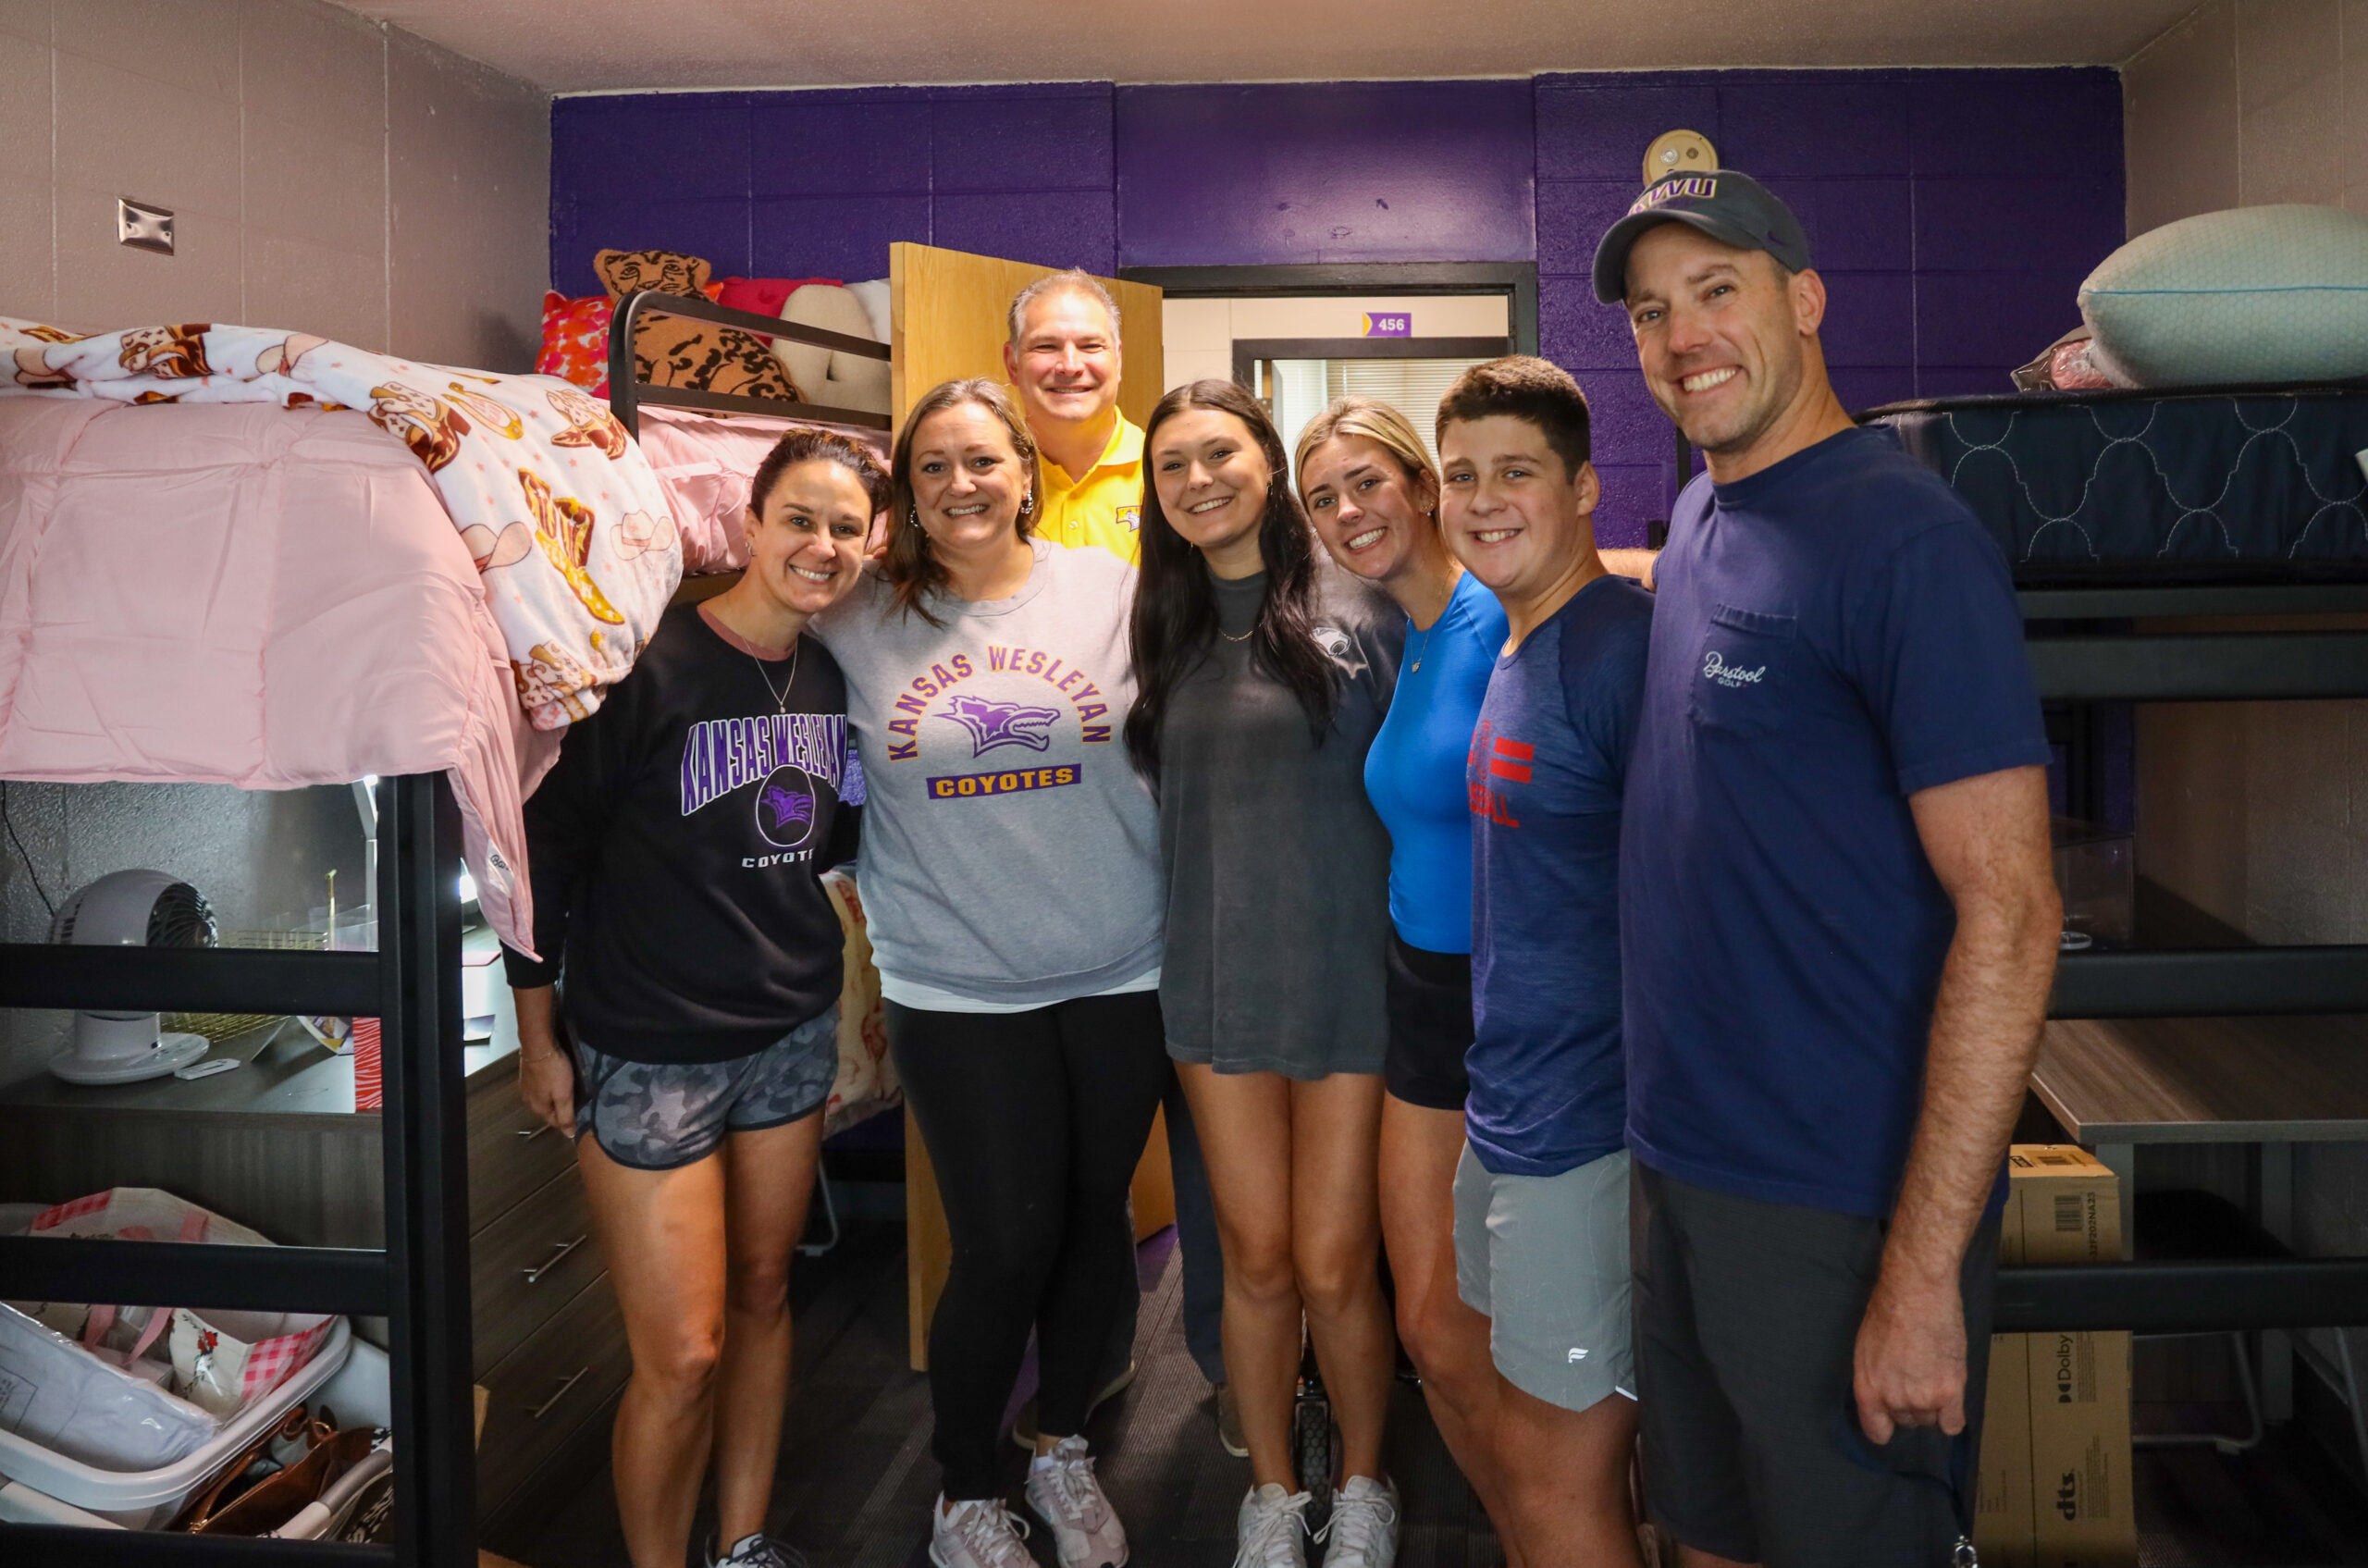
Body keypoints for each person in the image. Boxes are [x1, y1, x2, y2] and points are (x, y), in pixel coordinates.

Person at [1596, 170, 2061, 1564]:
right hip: (1683, 1161)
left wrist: (1921, 1271)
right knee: (1704, 1532)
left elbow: (2013, 914)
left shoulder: (1907, 540)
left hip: (1836, 1194)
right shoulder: (1701, 517)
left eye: (1716, 291)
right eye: (1650, 311)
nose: (1683, 336)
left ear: (1803, 299)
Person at [505, 429, 881, 1568]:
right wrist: (537, 1033)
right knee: (682, 1354)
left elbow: (835, 841)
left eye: (846, 529)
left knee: (765, 1294)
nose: (821, 546)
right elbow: (545, 853)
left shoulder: (831, 676)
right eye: (800, 520)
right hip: (649, 1045)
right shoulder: (647, 665)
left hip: (789, 1030)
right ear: (751, 525)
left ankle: (744, 1542)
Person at [812, 379, 1165, 1568]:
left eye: (981, 461)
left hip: (1122, 967)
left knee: (1092, 1225)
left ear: (1025, 472)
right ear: (907, 496)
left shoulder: (1109, 592)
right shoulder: (860, 612)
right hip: (957, 983)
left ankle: (1061, 1445)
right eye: (933, 468)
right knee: (1003, 1245)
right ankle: (964, 1490)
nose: (960, 484)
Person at [1128, 379, 1404, 1568]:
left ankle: (1365, 1483)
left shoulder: (1364, 604)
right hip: (1212, 984)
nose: (1197, 480)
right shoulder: (1156, 620)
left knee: (1335, 1266)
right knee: (1253, 1260)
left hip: (1348, 980)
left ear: (1267, 463)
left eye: (1219, 454)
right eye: (1172, 464)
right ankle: (1274, 1495)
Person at [1002, 267, 1234, 1454]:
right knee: (1075, 1164)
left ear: (1120, 357)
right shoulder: (983, 483)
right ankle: (1084, 1373)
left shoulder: (1176, 475)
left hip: (1186, 848)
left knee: (1213, 1145)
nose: (1070, 364)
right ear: (1012, 364)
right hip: (1047, 869)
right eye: (1046, 346)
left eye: (1089, 344)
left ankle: (1237, 1371)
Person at [1292, 398, 1524, 1561]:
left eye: (1366, 483)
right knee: (1431, 1328)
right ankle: (1539, 1530)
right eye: (1323, 499)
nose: (1347, 512)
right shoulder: (1413, 632)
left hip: (1512, 998)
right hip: (1420, 990)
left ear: (1422, 487)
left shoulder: (1501, 619)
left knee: (1527, 1330)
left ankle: (1561, 1531)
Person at [1432, 358, 1652, 1568]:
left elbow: (1699, 902)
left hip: (1590, 1125)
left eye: (1514, 471)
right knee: (1524, 1452)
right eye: (1460, 474)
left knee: (1561, 1473)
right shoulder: (1522, 646)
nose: (1482, 499)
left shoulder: (1620, 650)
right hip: (1511, 1104)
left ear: (1583, 488)